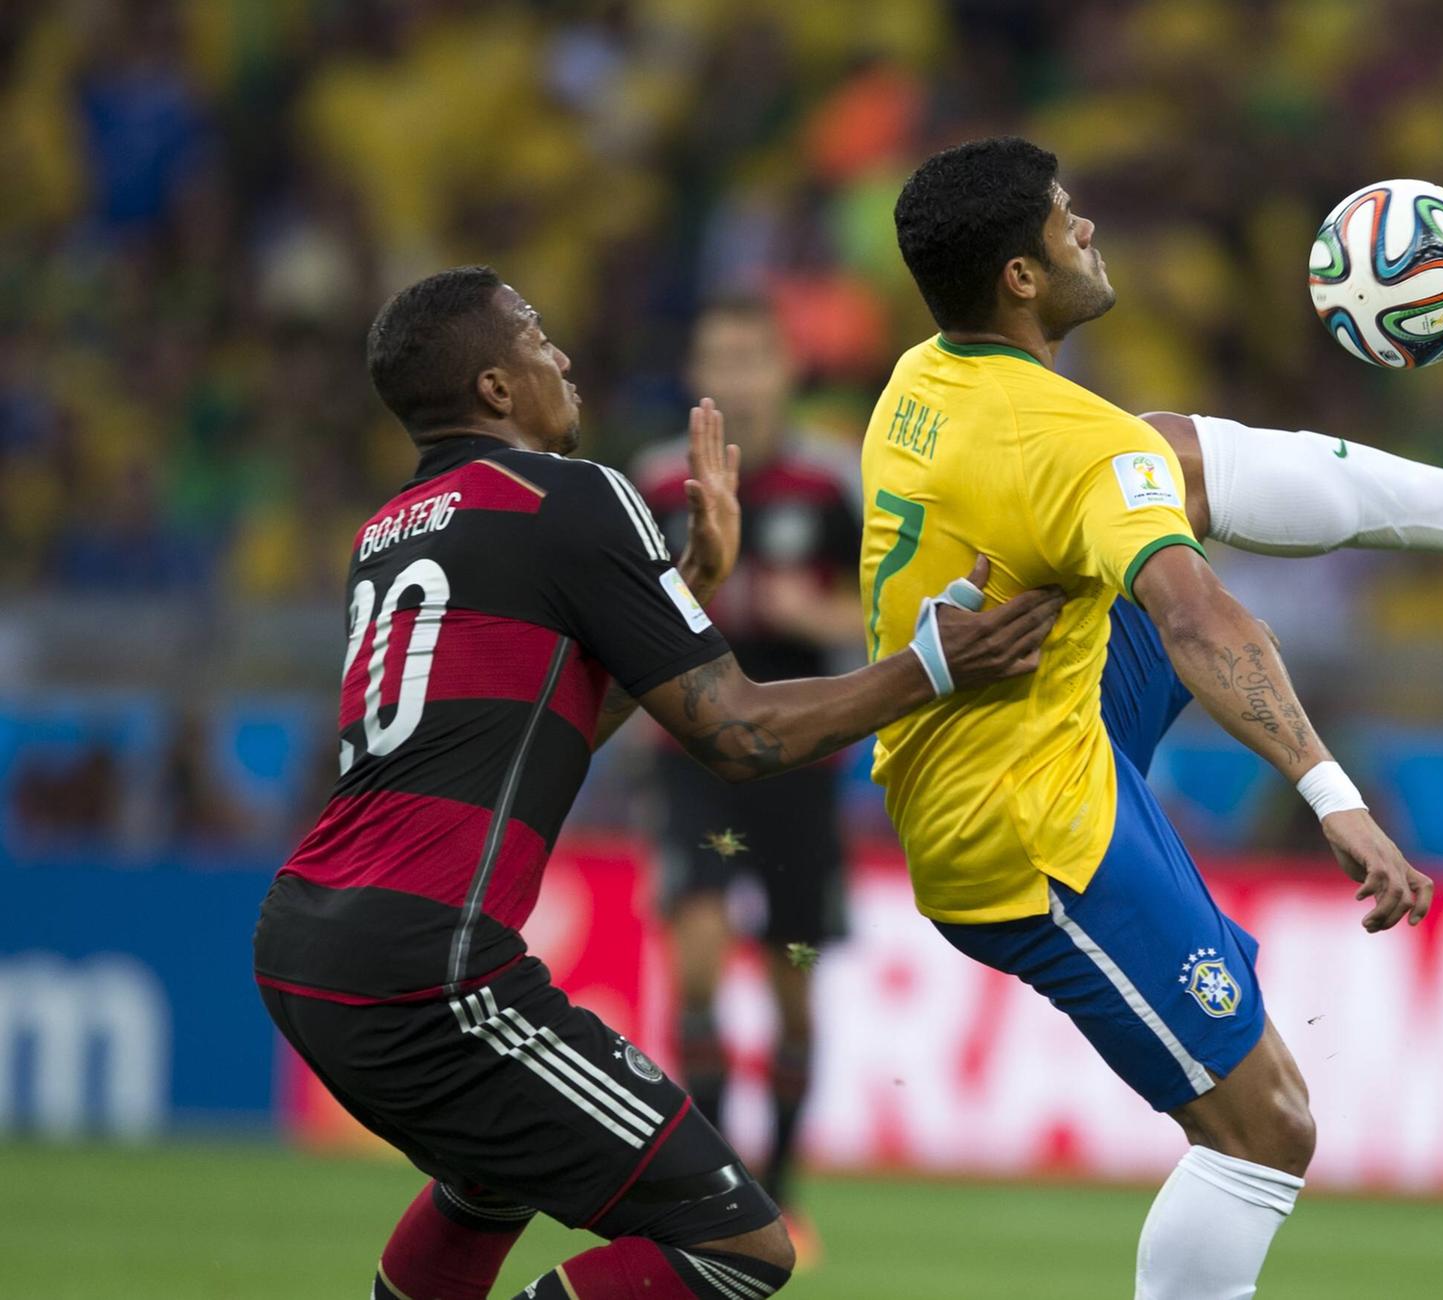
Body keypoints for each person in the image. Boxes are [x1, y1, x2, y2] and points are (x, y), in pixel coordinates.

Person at [866, 136, 1443, 1300]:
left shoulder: (925, 377)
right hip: (1025, 830)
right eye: (1065, 218)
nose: (1087, 227)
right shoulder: (1064, 444)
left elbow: (1122, 484)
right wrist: (1332, 795)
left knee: (1170, 455)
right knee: (1265, 1128)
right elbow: (1200, 625)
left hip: (1037, 720)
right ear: (1019, 278)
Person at [251, 266, 1063, 1300]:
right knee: (738, 1248)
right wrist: (936, 666)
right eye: (537, 335)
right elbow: (738, 733)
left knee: (491, 1173)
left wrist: (682, 593)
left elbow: (544, 726)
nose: (563, 356)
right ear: (497, 389)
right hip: (431, 963)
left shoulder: (392, 528)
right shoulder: (578, 495)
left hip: (303, 943)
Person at [634, 299, 861, 1238]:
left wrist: (812, 619)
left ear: (783, 371)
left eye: (751, 358)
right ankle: (721, 1188)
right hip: (693, 760)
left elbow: (883, 611)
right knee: (694, 958)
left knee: (792, 979)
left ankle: (783, 1185)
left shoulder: (830, 482)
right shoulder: (653, 484)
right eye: (716, 355)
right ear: (695, 369)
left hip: (801, 762)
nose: (734, 375)